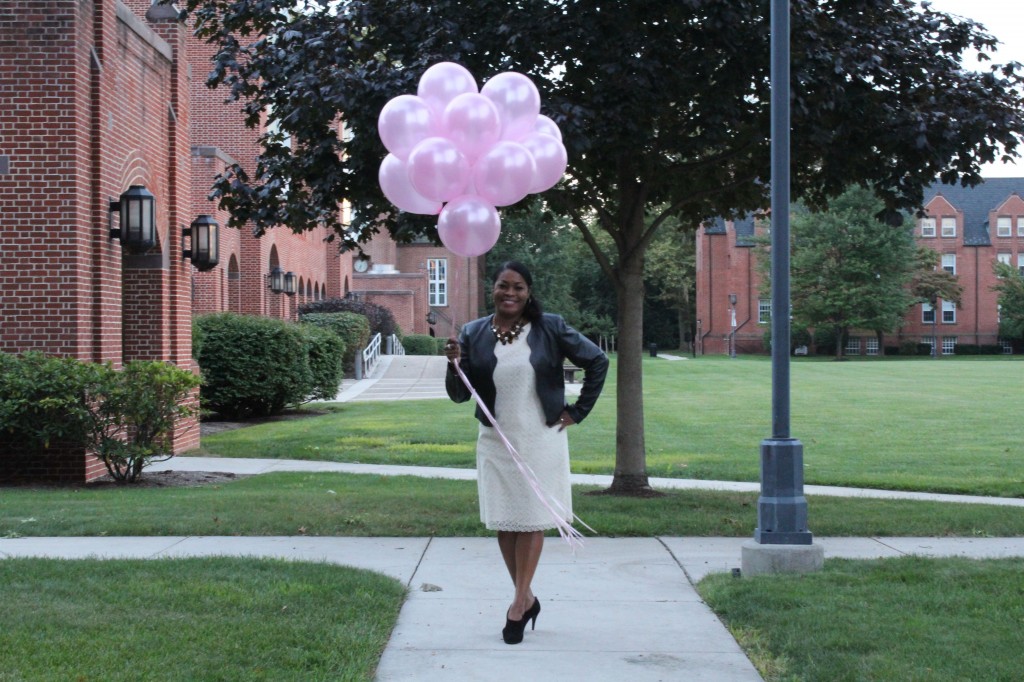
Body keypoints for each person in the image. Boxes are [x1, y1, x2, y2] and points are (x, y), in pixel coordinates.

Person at [444, 260, 608, 645]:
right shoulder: (471, 332)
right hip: (496, 441)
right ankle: (529, 596)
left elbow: (597, 361)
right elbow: (458, 394)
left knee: (532, 520)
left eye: (518, 287)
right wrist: (452, 364)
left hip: (541, 436)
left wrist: (577, 411)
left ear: (528, 292)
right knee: (505, 522)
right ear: (494, 289)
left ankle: (518, 603)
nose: (510, 293)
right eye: (504, 286)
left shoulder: (550, 326)